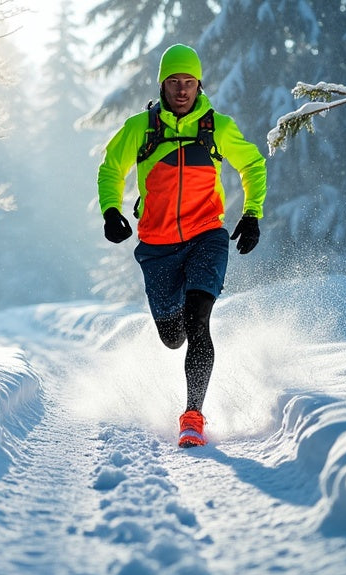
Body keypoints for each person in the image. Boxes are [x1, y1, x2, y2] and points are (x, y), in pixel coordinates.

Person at [96, 43, 267, 448]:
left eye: (189, 81)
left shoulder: (216, 127)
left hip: (207, 235)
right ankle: (179, 353)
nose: (182, 89)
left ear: (199, 84)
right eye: (173, 81)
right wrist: (110, 211)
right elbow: (111, 168)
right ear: (162, 85)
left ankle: (193, 415)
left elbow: (253, 164)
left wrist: (253, 212)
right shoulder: (140, 127)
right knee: (173, 336)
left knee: (198, 320)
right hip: (157, 247)